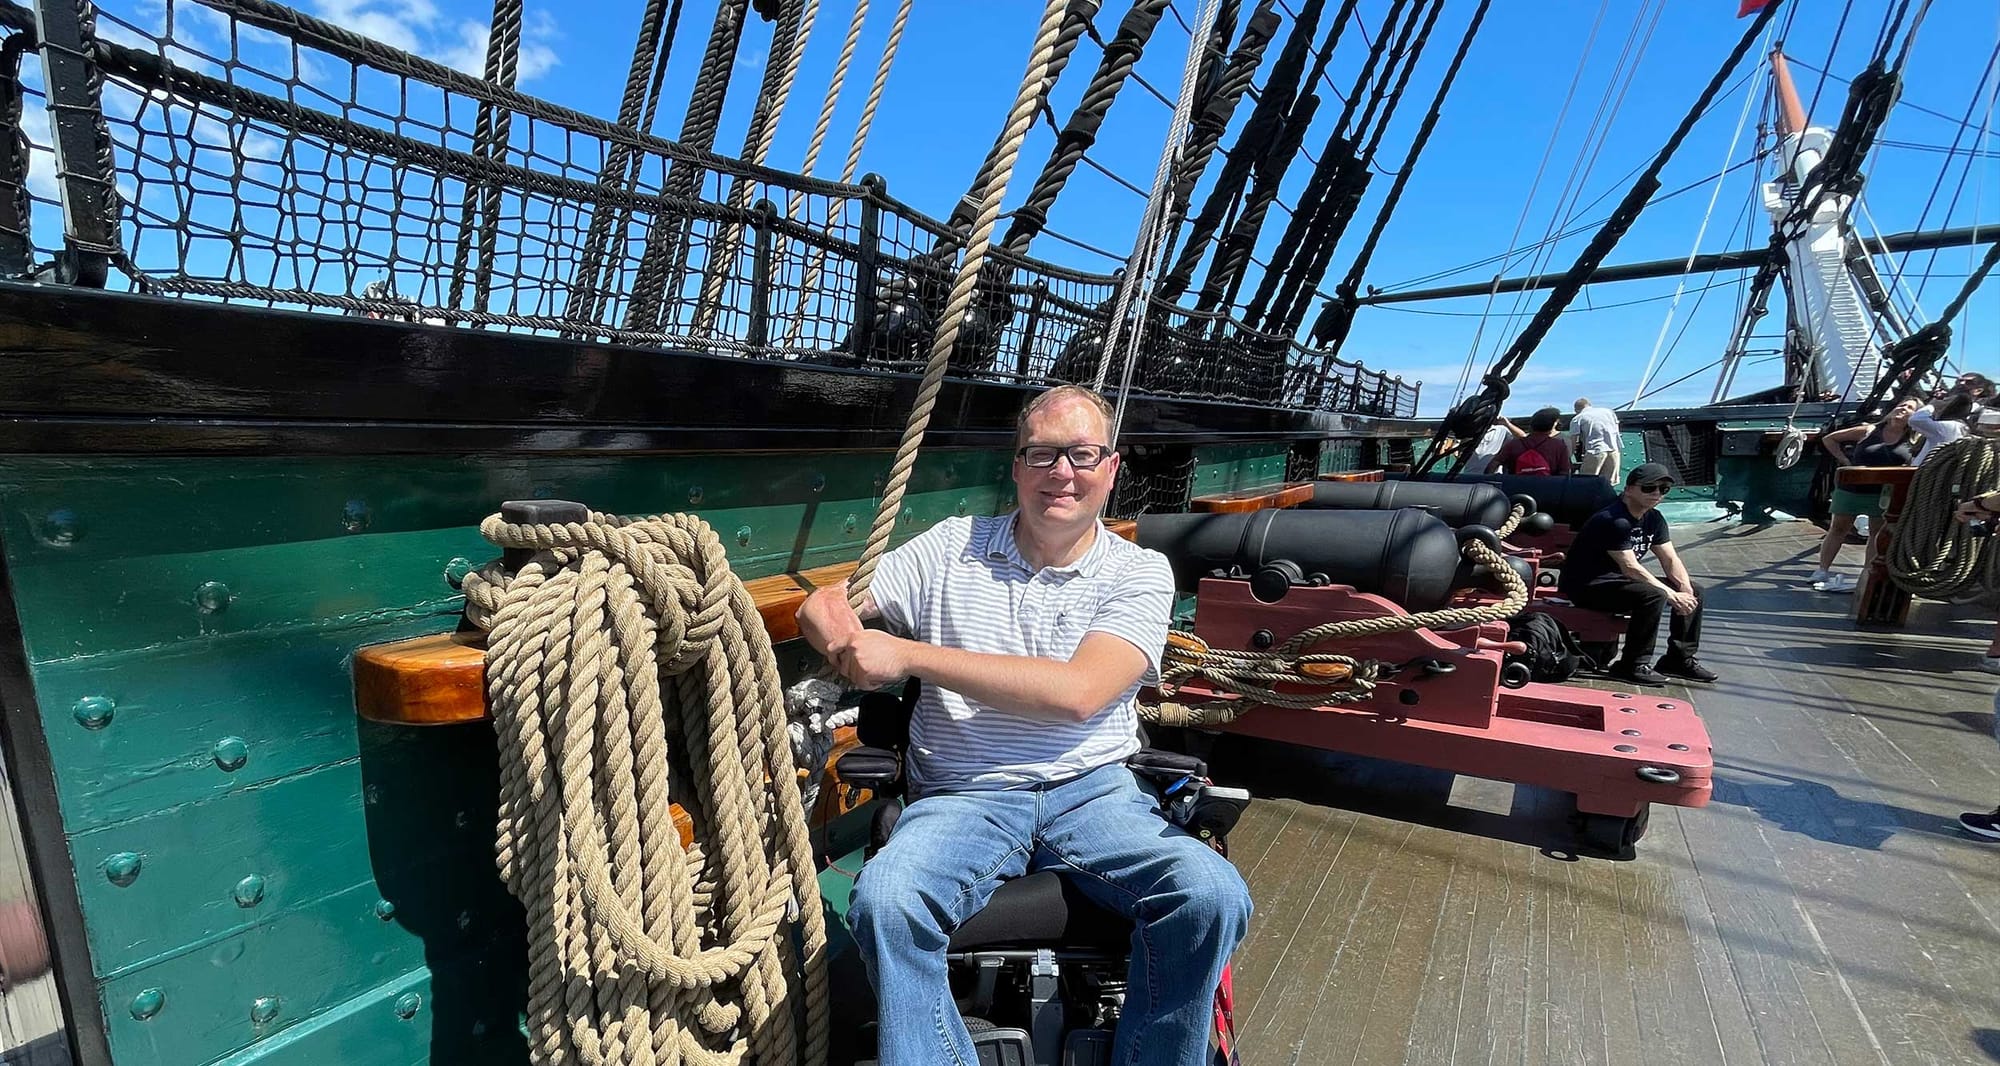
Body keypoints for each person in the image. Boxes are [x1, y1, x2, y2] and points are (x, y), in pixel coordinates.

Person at [796, 384, 1252, 1066]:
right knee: (886, 903)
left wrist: (905, 653)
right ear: (1016, 466)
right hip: (963, 794)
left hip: (1094, 791)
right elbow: (828, 603)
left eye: (1081, 454)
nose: (1061, 473)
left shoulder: (1139, 572)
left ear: (1112, 468)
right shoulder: (950, 548)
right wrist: (841, 637)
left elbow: (1078, 695)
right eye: (1041, 454)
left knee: (1212, 896)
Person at [1556, 462, 1717, 685]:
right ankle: (1632, 664)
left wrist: (1685, 590)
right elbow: (1630, 567)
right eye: (1649, 488)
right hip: (1587, 586)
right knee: (1654, 595)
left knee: (1694, 589)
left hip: (1619, 582)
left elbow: (1669, 558)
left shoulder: (1654, 518)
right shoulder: (1614, 520)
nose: (1657, 494)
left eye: (1663, 489)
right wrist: (1672, 596)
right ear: (1629, 489)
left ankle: (1679, 658)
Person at [1807, 398, 1919, 592]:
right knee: (1838, 529)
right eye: (1901, 405)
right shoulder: (1869, 430)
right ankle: (1822, 570)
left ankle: (1867, 573)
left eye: (1909, 408)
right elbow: (1830, 438)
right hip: (1852, 489)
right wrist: (1844, 460)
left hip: (1883, 493)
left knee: (1876, 534)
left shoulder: (1915, 440)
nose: (1903, 408)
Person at [1493, 406, 1573, 476]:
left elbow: (1494, 464)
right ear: (1552, 426)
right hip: (1549, 489)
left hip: (1516, 489)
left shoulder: (1514, 444)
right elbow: (1565, 472)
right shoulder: (1559, 445)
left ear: (1531, 425)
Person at [1571, 397, 1621, 481]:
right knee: (1608, 483)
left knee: (1586, 481)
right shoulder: (1609, 412)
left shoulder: (1578, 418)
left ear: (1576, 410)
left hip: (1595, 451)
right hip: (1614, 450)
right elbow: (1616, 432)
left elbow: (1573, 442)